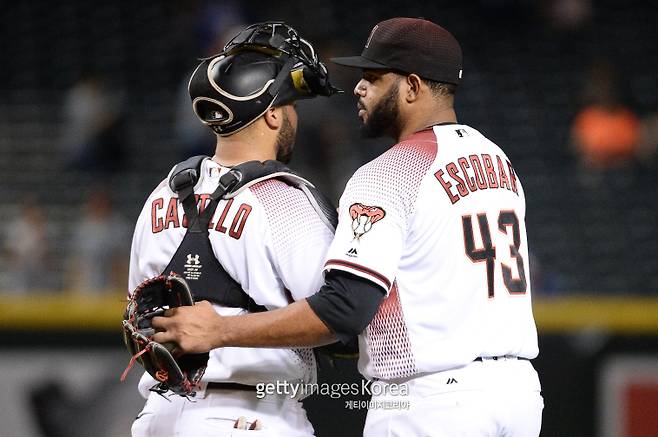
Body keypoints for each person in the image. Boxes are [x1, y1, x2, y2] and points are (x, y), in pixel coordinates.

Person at [152, 18, 543, 436]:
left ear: (412, 87)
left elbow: (344, 308)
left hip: (433, 401)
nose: (358, 88)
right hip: (518, 394)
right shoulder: (497, 160)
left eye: (373, 78)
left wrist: (219, 330)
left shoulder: (389, 173)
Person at [127, 22, 339, 436]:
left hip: (159, 414)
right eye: (291, 107)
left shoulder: (161, 195)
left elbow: (139, 307)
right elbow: (335, 315)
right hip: (250, 414)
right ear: (273, 114)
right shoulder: (284, 199)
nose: (293, 116)